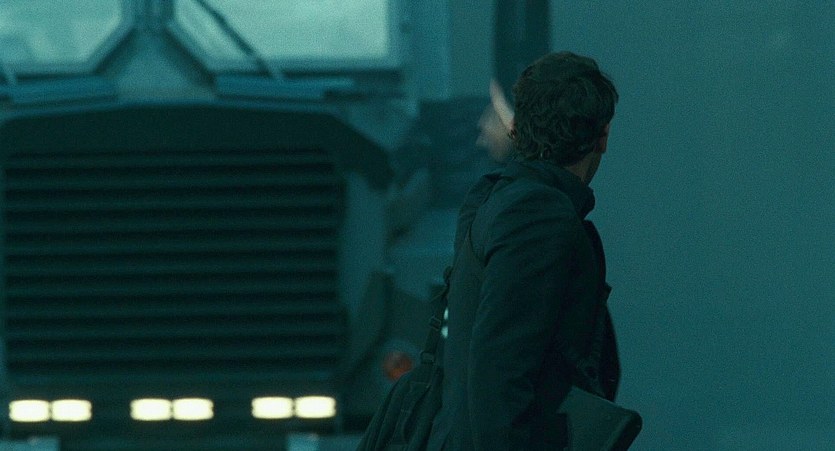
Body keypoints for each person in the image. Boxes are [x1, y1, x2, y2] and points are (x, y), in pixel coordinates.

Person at [426, 51, 622, 450]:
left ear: (517, 129)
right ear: (602, 136)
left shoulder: (500, 201)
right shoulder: (538, 215)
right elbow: (500, 369)